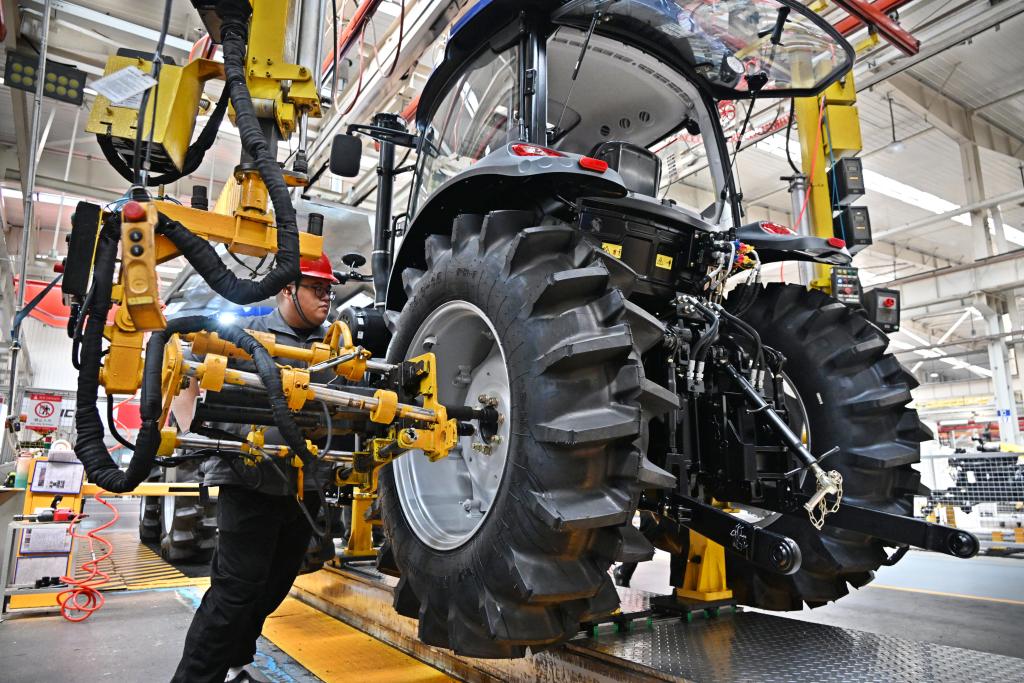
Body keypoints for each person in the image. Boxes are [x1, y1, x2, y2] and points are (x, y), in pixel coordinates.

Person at [172, 254, 339, 683]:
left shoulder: (336, 347)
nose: (326, 297)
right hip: (249, 478)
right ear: (287, 289)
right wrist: (191, 429)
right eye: (316, 288)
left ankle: (233, 666)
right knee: (236, 589)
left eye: (328, 289)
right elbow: (190, 372)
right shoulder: (247, 335)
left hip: (303, 485)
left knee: (274, 585)